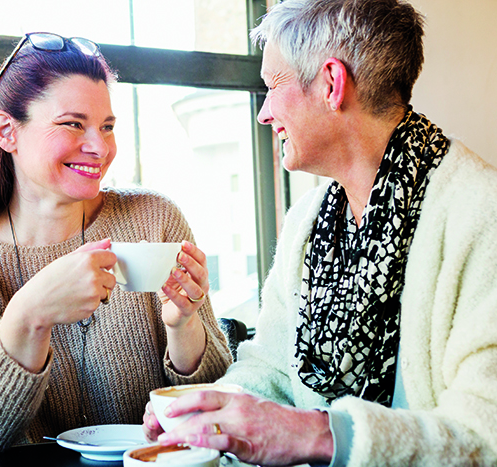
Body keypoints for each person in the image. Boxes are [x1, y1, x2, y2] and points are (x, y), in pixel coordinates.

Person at [142, 1, 497, 465]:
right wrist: (208, 418)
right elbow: (269, 368)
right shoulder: (306, 220)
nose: (263, 113)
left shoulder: (480, 213)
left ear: (332, 83)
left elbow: (485, 434)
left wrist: (318, 435)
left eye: (273, 86)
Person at [0, 32, 232, 454]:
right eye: (73, 124)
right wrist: (31, 313)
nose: (99, 147)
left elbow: (217, 402)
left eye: (107, 126)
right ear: (7, 131)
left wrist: (184, 326)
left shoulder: (153, 221)